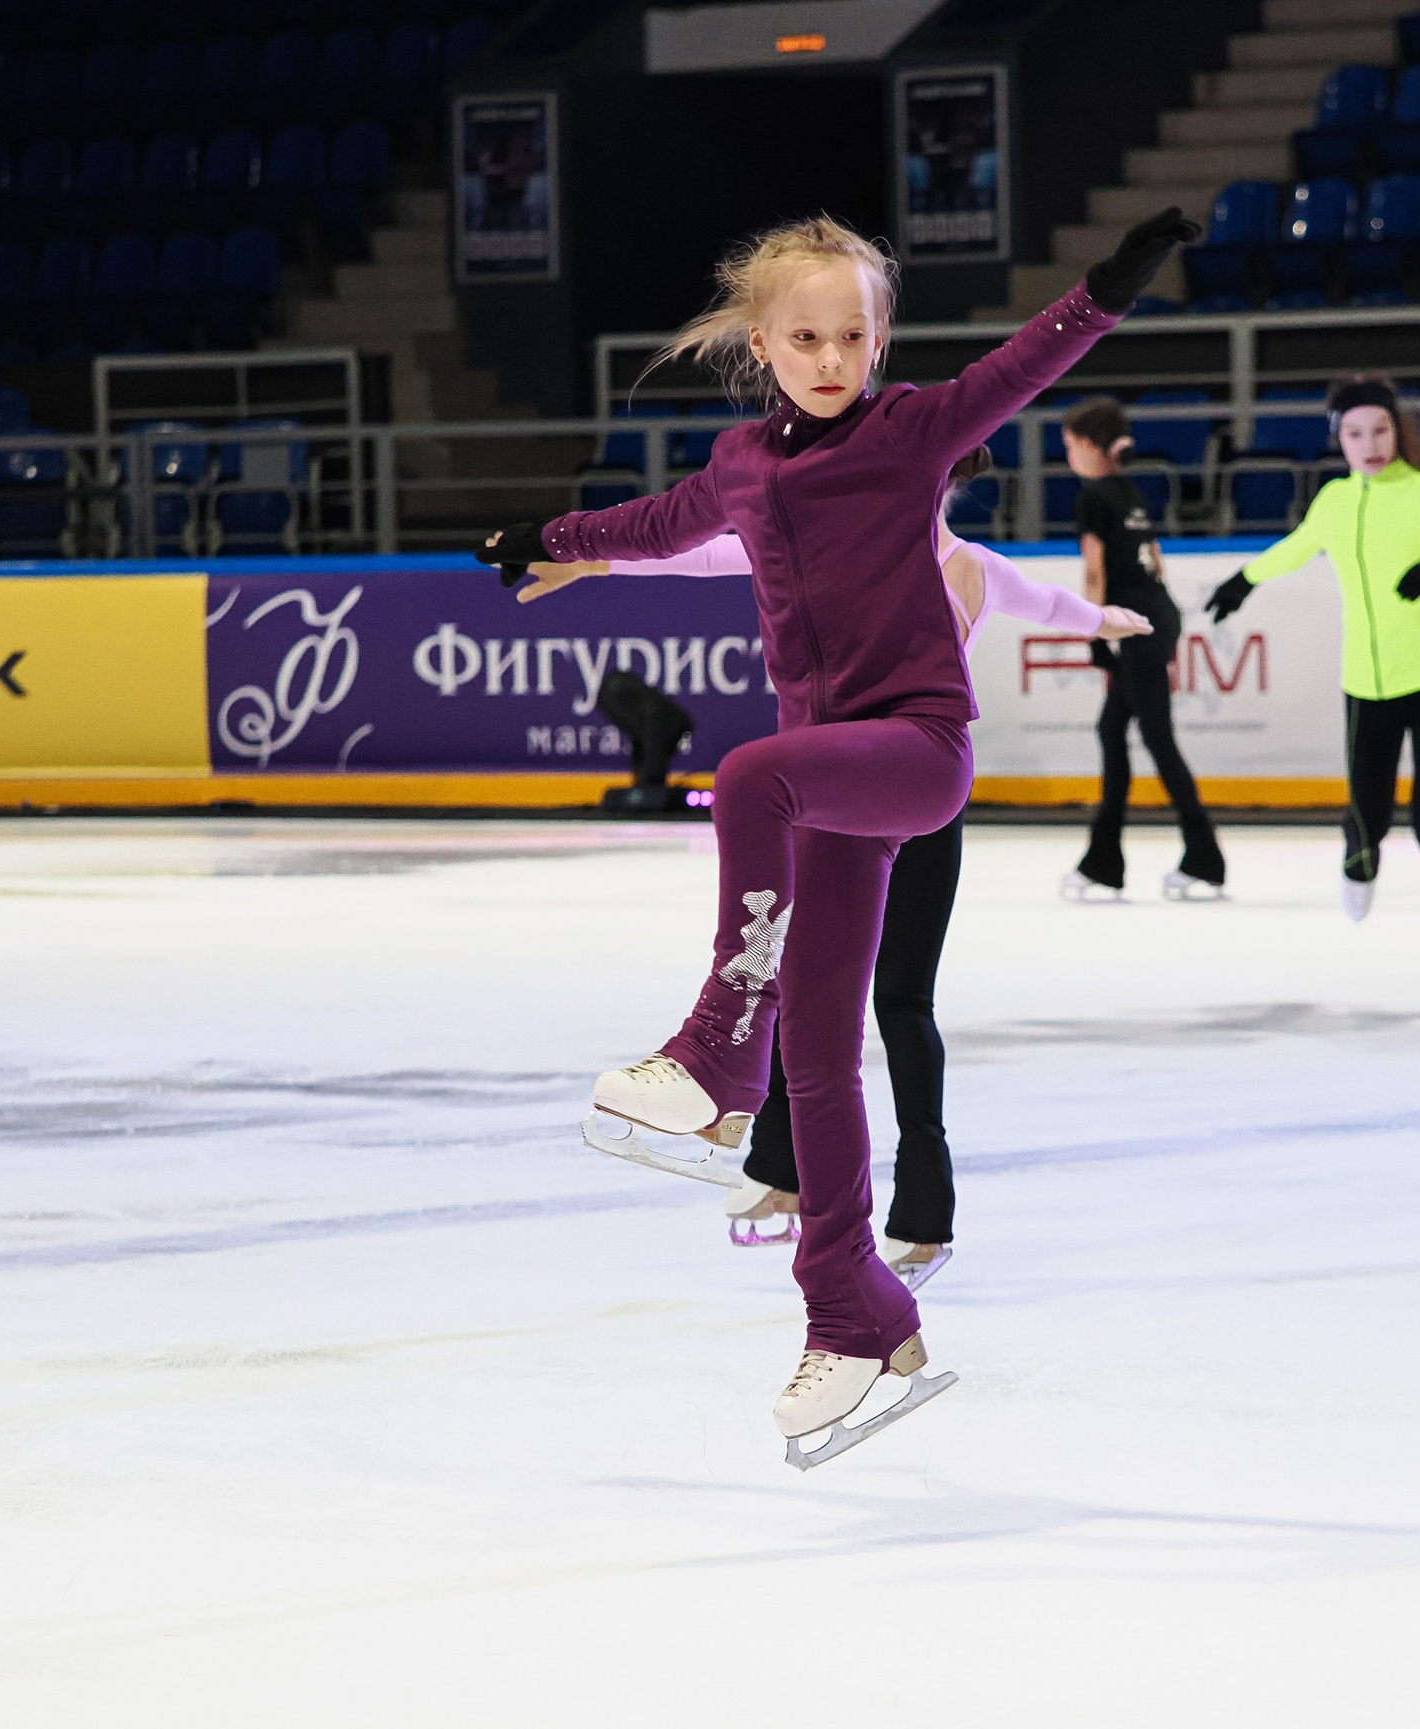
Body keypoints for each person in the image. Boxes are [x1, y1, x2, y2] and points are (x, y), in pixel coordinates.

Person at [479, 206, 1197, 1463]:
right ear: (763, 343)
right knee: (821, 1050)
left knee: (748, 774)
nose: (829, 357)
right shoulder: (746, 467)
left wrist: (1106, 289)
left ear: (879, 339)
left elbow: (1024, 364)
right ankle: (853, 1310)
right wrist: (550, 541)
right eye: (804, 336)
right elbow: (660, 524)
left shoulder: (916, 431)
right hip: (833, 787)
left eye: (852, 335)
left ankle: (713, 1056)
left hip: (912, 753)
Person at [515, 451, 1153, 1292]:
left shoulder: (974, 567)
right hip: (841, 799)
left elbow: (1049, 603)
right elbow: (714, 547)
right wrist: (599, 554)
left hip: (922, 799)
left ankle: (923, 1214)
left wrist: (1104, 620)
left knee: (900, 1001)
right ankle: (780, 1167)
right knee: (811, 988)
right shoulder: (822, 539)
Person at [1205, 377, 1420, 1010]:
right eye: (1354, 433)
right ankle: (1360, 862)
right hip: (1365, 688)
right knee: (1366, 815)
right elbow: (1296, 548)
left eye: (1380, 430)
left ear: (1397, 431)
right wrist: (1243, 580)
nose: (1369, 444)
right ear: (1337, 439)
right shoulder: (1336, 502)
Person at [1060, 396, 1227, 903]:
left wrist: (1096, 630)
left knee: (1157, 740)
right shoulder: (1130, 492)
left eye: (1070, 446)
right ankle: (1102, 862)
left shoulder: (1093, 495)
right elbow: (1154, 558)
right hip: (1156, 618)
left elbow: (1095, 569)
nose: (1068, 456)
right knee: (1113, 729)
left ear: (1091, 446)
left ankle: (1203, 860)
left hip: (1133, 627)